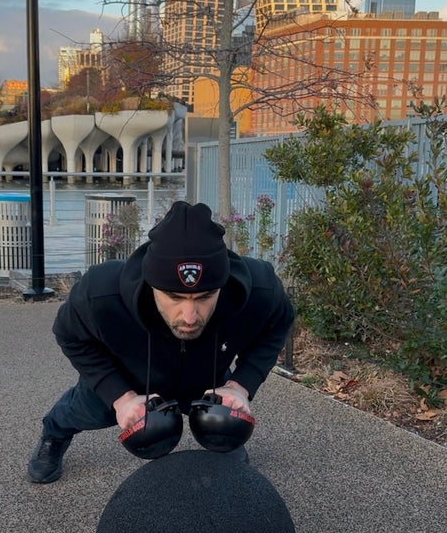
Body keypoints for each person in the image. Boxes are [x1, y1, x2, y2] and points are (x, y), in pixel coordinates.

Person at [28, 201, 295, 483]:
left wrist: (240, 385)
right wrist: (120, 397)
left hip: (207, 377)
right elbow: (69, 335)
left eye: (205, 297)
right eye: (175, 298)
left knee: (225, 422)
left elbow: (279, 323)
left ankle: (222, 442)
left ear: (223, 284)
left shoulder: (260, 290)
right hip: (127, 377)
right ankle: (53, 435)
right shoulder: (101, 293)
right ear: (151, 283)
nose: (190, 317)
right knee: (82, 412)